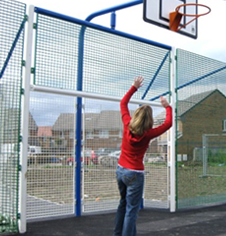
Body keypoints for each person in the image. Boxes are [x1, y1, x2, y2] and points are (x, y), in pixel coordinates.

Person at [113, 76, 172, 236]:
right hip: (135, 173)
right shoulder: (148, 134)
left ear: (136, 116)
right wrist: (167, 107)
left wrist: (134, 87)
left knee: (123, 204)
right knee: (131, 211)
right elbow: (168, 124)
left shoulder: (127, 124)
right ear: (149, 121)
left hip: (120, 170)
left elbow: (123, 103)